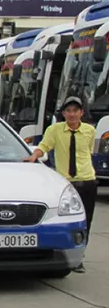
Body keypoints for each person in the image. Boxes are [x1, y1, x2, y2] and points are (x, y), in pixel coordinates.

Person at [24, 96, 97, 273]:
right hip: (66, 183)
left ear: (81, 113)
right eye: (68, 111)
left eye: (75, 111)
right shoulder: (55, 130)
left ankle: (79, 257)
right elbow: (44, 146)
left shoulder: (89, 131)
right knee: (68, 221)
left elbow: (89, 152)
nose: (72, 114)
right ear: (63, 113)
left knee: (86, 220)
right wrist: (34, 156)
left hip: (87, 181)